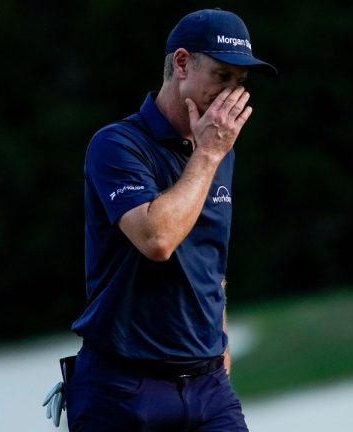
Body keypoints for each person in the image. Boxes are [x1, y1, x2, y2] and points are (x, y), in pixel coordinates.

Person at [63, 8, 276, 431]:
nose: (232, 96)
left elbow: (211, 260)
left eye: (240, 84)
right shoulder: (117, 144)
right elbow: (157, 239)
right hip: (122, 389)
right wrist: (208, 154)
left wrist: (221, 347)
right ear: (181, 64)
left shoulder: (219, 151)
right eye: (221, 76)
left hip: (208, 386)